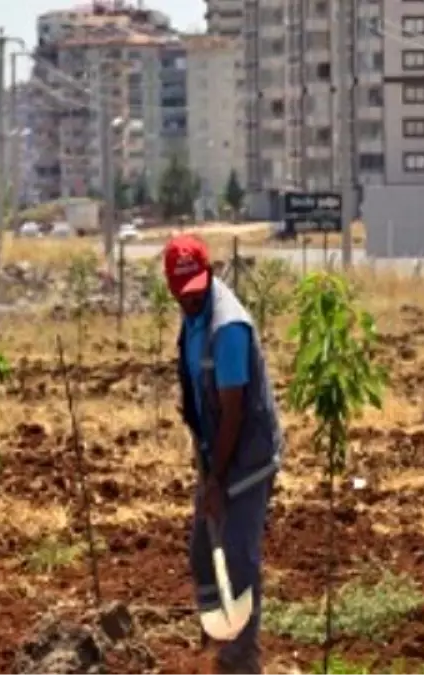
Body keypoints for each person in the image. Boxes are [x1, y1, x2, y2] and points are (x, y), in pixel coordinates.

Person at [166, 233, 283, 674]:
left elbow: (233, 412)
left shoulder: (228, 327)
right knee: (201, 552)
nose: (191, 303)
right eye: (183, 297)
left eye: (197, 294)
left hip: (248, 454)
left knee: (237, 551)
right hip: (218, 449)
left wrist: (216, 481)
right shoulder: (192, 317)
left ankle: (243, 655)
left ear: (209, 273)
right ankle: (218, 632)